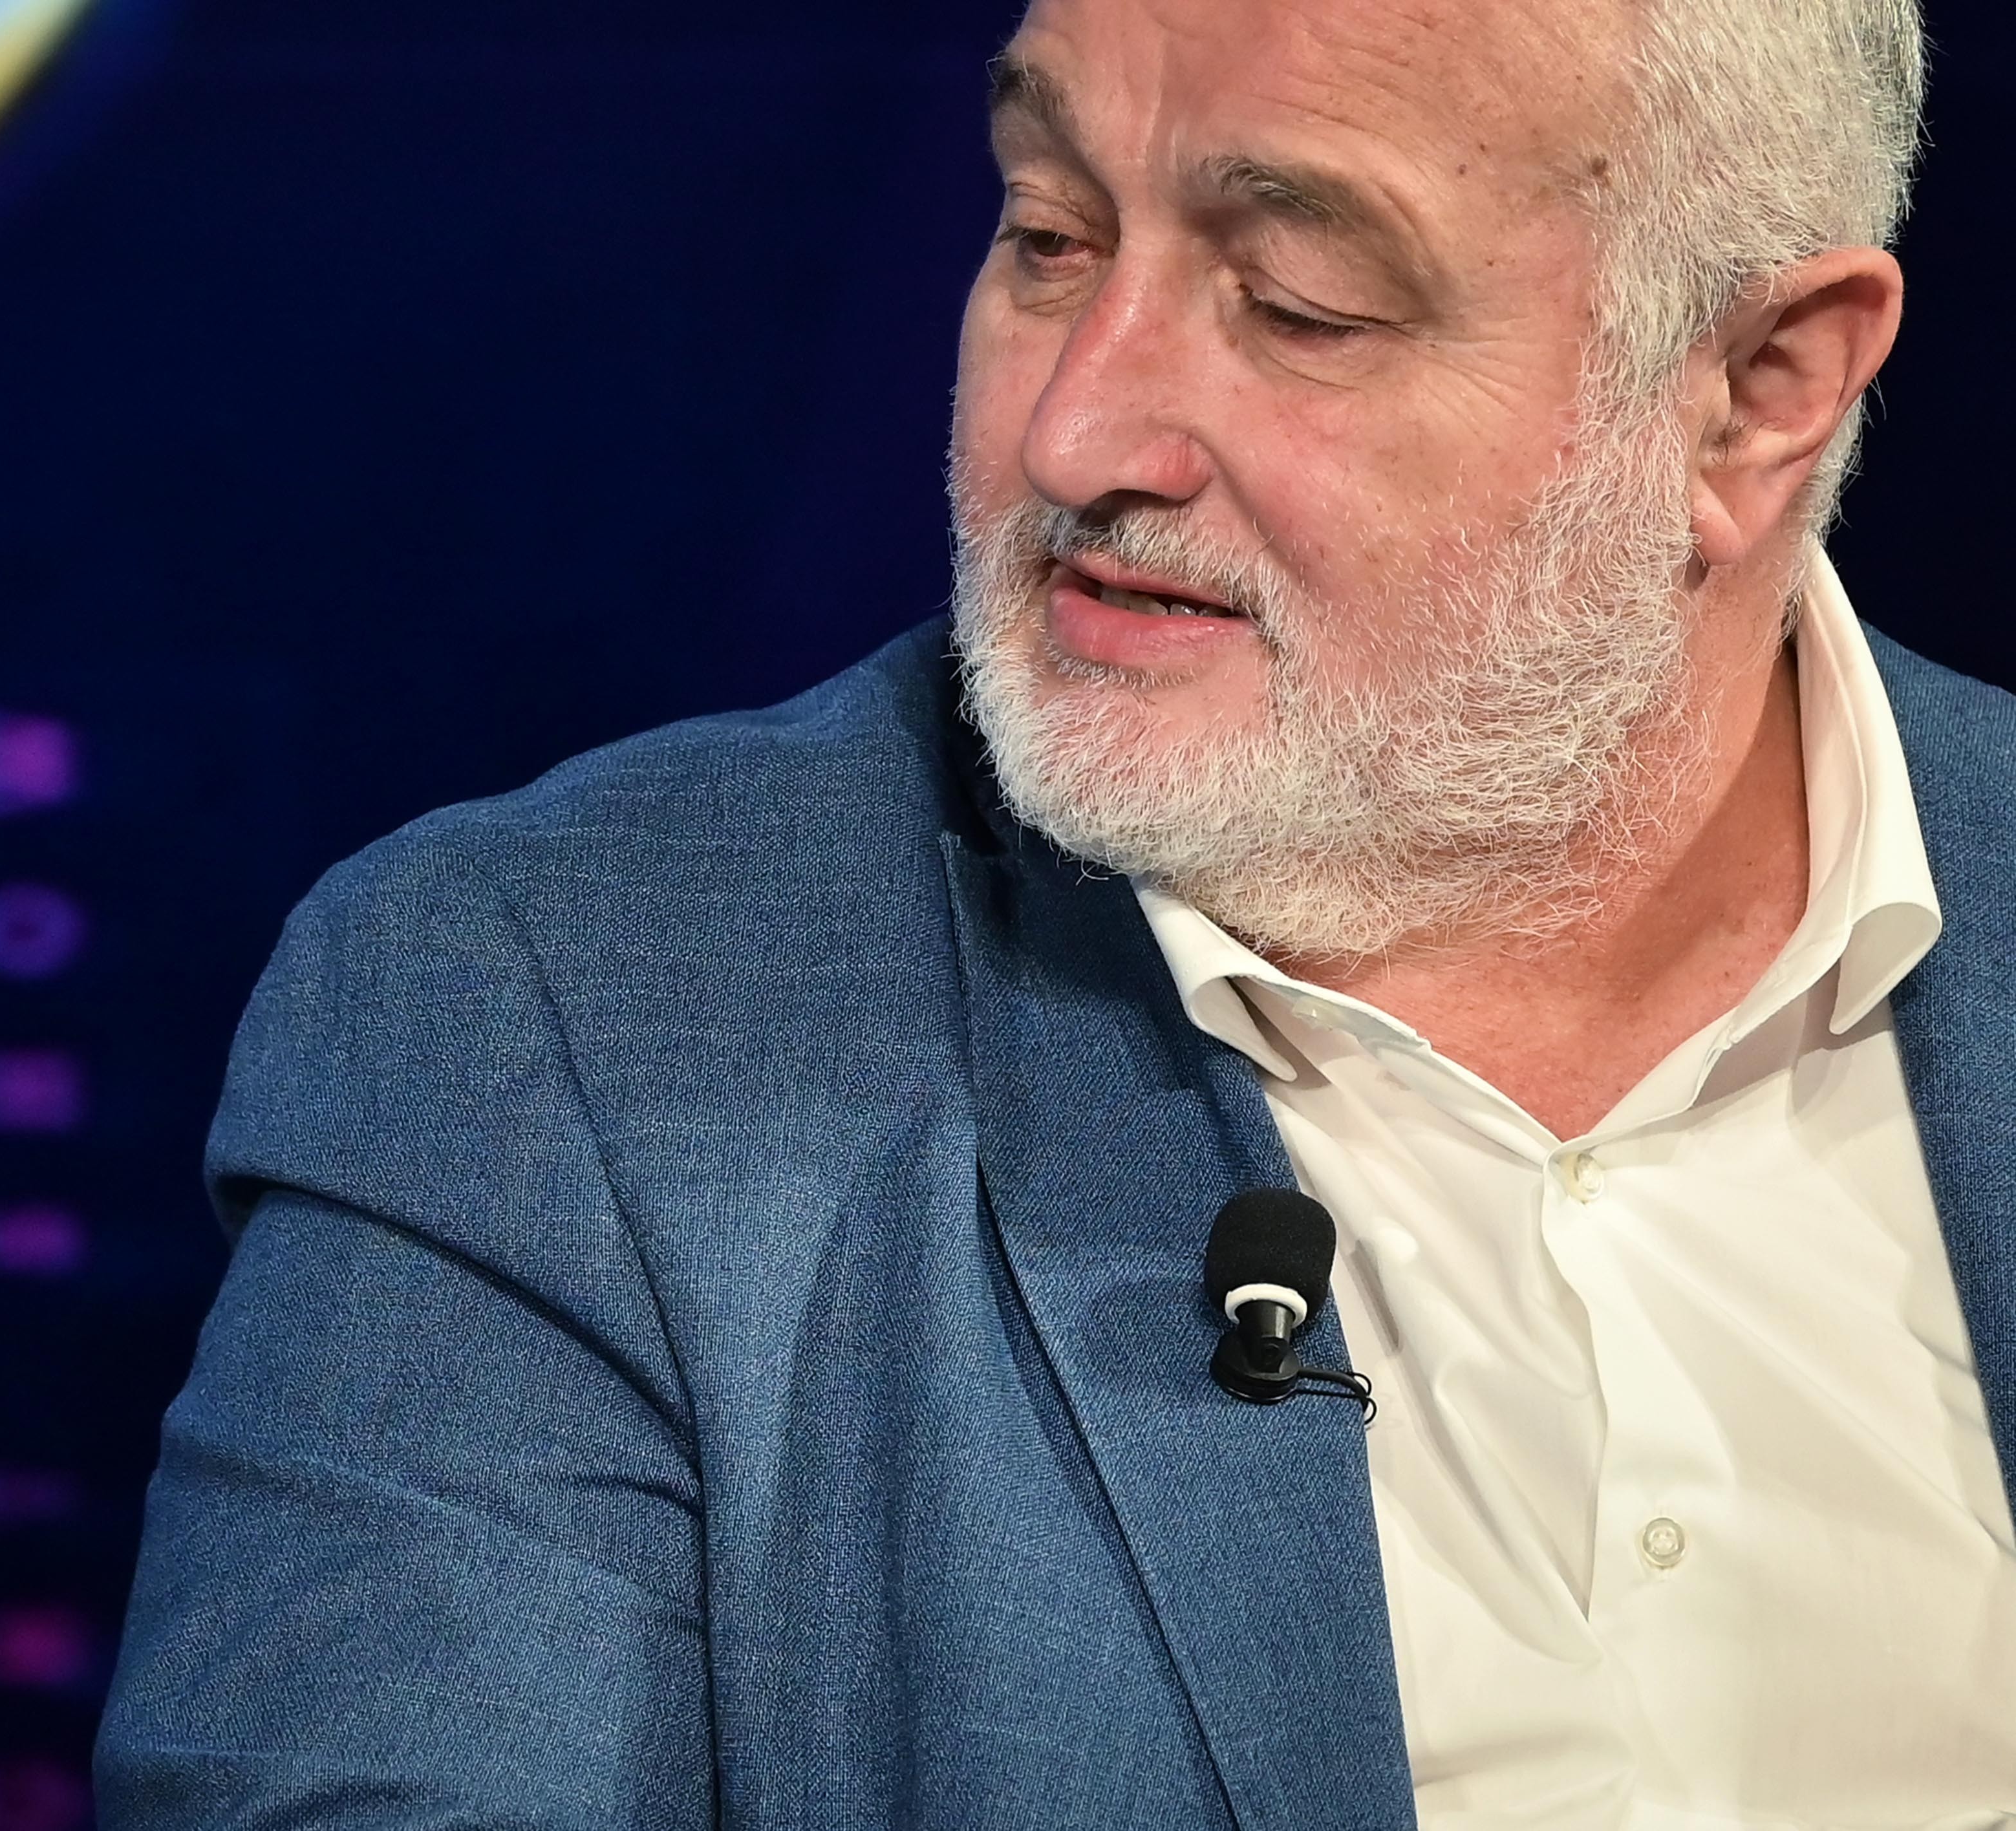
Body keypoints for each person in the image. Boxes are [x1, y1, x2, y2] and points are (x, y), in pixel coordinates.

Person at [99, 0, 2016, 1822]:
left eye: (1300, 303)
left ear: (1758, 392)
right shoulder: (547, 1027)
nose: (1078, 436)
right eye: (1046, 236)